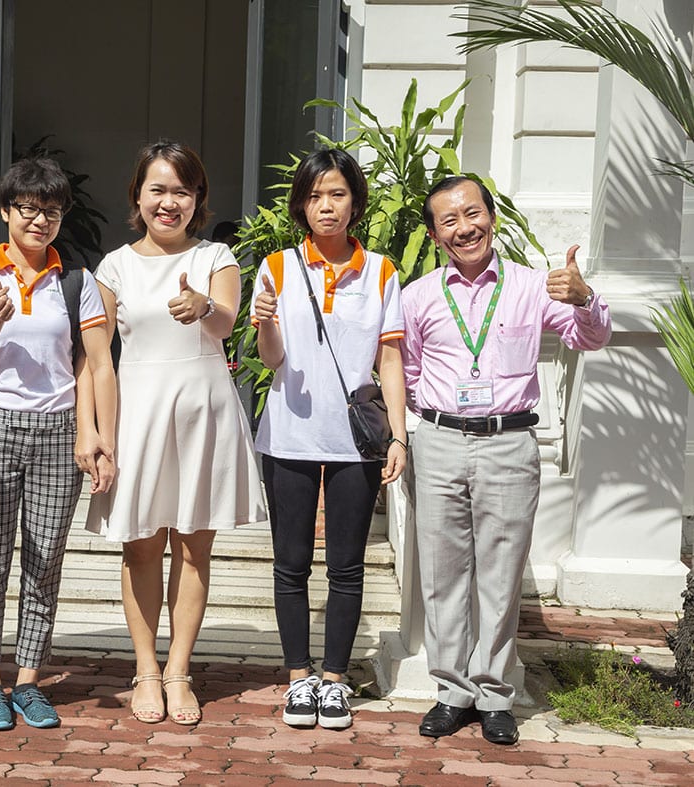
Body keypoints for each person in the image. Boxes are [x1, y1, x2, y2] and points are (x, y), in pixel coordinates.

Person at [402, 175, 611, 745]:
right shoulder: (419, 294)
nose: (464, 227)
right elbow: (412, 372)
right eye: (449, 220)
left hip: (510, 442)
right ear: (434, 233)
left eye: (473, 214)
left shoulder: (533, 286)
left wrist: (586, 299)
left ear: (491, 218)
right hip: (439, 439)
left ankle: (494, 694)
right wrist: (434, 421)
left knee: (500, 574)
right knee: (442, 572)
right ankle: (450, 692)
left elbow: (590, 340)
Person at [85, 141, 266, 726]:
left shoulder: (217, 255)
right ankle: (144, 669)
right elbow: (97, 358)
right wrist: (94, 433)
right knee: (139, 545)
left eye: (181, 191)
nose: (170, 202)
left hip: (202, 412)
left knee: (194, 546)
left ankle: (180, 671)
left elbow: (227, 322)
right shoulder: (112, 266)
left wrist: (201, 304)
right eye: (158, 189)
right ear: (138, 195)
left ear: (198, 199)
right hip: (137, 411)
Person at [0, 157, 117, 731]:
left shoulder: (77, 281)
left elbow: (96, 364)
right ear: (5, 211)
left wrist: (95, 435)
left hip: (56, 430)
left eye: (51, 210)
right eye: (28, 208)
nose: (39, 220)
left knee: (45, 563)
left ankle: (29, 680)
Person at [251, 149, 406, 730]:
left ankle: (335, 680)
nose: (326, 206)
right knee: (289, 564)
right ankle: (298, 677)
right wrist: (265, 320)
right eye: (315, 196)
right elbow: (271, 358)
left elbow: (390, 358)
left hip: (356, 442)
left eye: (337, 194)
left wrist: (398, 435)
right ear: (301, 204)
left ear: (355, 202)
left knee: (347, 566)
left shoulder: (382, 270)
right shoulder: (278, 266)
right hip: (289, 434)